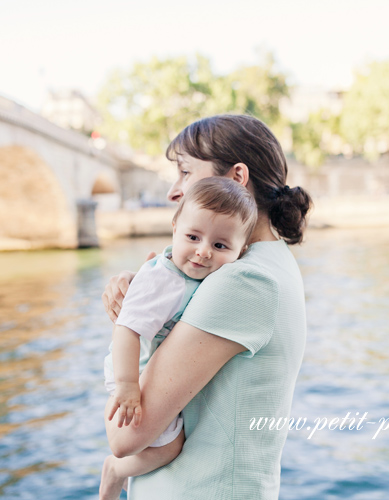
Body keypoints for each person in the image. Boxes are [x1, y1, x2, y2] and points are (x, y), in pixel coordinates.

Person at [101, 114, 312, 499]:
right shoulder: (270, 263)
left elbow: (124, 434)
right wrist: (148, 295)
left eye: (184, 172)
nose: (173, 191)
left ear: (236, 179)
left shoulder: (243, 282)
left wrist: (133, 319)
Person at [99, 177, 258, 499]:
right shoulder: (164, 280)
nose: (202, 252)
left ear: (242, 251)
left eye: (220, 246)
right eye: (193, 237)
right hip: (133, 369)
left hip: (144, 366)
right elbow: (126, 329)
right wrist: (128, 386)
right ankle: (114, 472)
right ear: (175, 228)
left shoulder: (193, 275)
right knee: (166, 450)